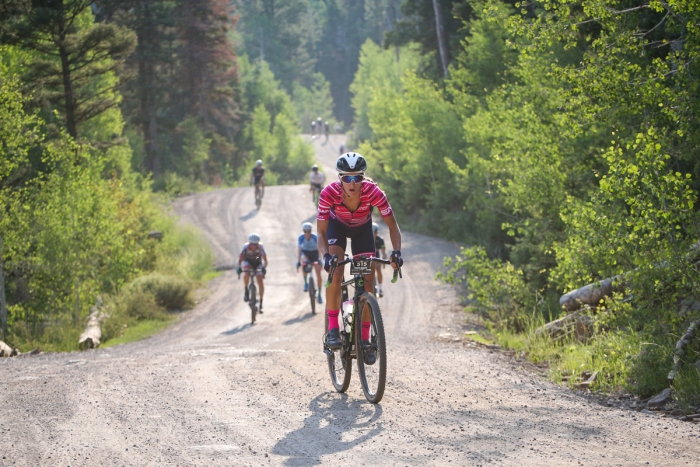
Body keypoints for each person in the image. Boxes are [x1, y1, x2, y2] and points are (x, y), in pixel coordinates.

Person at [317, 152, 403, 364]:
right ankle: (333, 330)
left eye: (357, 177)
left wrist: (397, 252)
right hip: (337, 227)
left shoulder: (374, 193)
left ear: (363, 179)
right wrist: (326, 256)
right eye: (347, 177)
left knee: (367, 281)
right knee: (336, 272)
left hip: (362, 230)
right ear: (340, 179)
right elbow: (320, 232)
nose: (352, 182)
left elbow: (393, 226)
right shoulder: (328, 194)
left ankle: (365, 340)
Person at [237, 233, 268, 313]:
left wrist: (264, 268)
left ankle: (261, 303)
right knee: (246, 273)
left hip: (257, 261)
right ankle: (246, 289)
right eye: (252, 244)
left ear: (258, 243)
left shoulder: (261, 247)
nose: (254, 246)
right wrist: (239, 268)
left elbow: (265, 260)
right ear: (249, 243)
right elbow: (240, 260)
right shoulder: (245, 247)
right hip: (248, 261)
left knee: (260, 279)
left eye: (255, 244)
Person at [296, 222, 323, 304]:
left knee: (318, 273)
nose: (307, 233)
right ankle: (306, 283)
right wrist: (298, 261)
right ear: (303, 231)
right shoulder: (301, 237)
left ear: (311, 231)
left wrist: (319, 259)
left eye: (309, 231)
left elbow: (319, 249)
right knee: (304, 262)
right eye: (305, 231)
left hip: (314, 253)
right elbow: (300, 249)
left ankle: (319, 294)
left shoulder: (315, 237)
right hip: (306, 253)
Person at [372, 222, 387, 297]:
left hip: (376, 256)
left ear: (377, 232)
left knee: (378, 269)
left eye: (374, 233)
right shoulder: (366, 238)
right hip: (368, 257)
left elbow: (383, 252)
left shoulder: (380, 240)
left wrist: (384, 260)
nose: (373, 235)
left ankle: (380, 288)